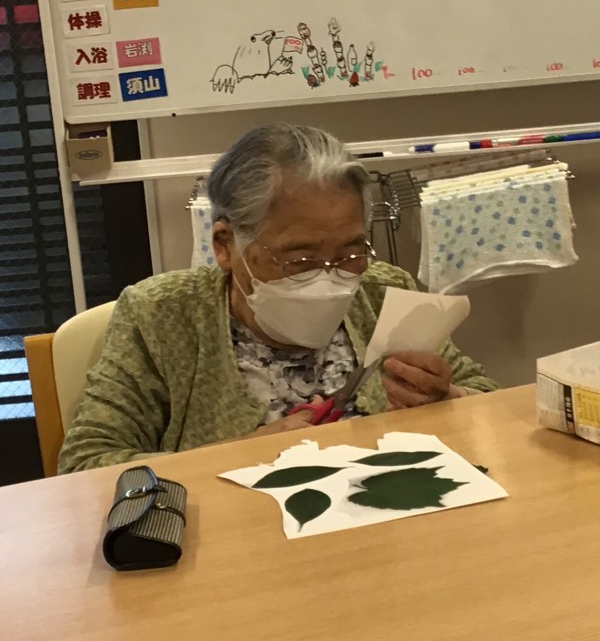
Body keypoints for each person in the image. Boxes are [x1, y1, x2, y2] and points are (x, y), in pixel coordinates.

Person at [58, 124, 498, 474]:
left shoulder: (382, 291)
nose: (330, 278)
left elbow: (489, 404)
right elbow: (87, 464)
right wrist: (240, 454)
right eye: (300, 259)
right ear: (225, 245)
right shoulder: (160, 315)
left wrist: (448, 399)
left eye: (350, 253)